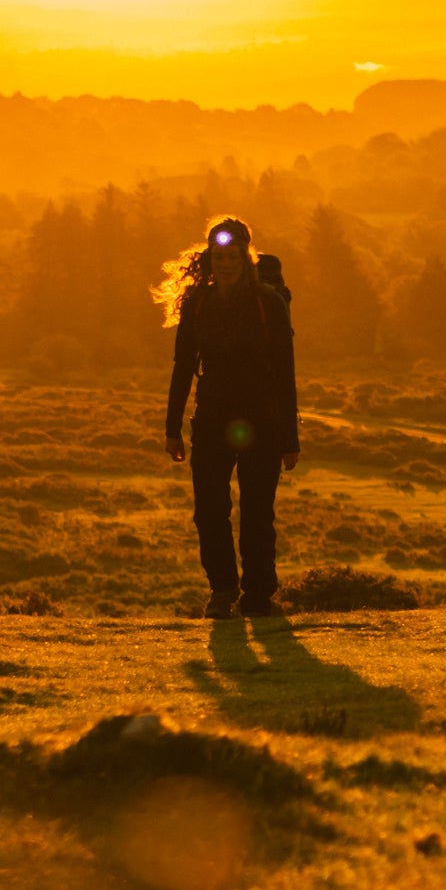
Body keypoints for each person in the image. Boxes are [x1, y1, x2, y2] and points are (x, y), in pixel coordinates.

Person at [156, 215, 300, 619]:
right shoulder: (198, 303)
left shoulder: (268, 303)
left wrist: (290, 439)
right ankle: (222, 591)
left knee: (257, 513)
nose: (226, 263)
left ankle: (257, 596)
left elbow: (286, 373)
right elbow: (182, 366)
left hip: (262, 424)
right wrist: (172, 430)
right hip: (212, 422)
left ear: (246, 257)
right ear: (210, 258)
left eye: (233, 255)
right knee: (209, 512)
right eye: (219, 256)